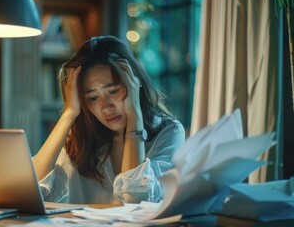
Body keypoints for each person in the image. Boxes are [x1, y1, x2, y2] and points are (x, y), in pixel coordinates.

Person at [33, 35, 185, 204]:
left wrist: (134, 114)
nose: (106, 107)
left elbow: (134, 199)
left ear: (135, 84)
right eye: (92, 98)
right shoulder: (79, 139)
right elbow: (31, 190)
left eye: (113, 91)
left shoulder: (169, 132)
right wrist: (69, 112)